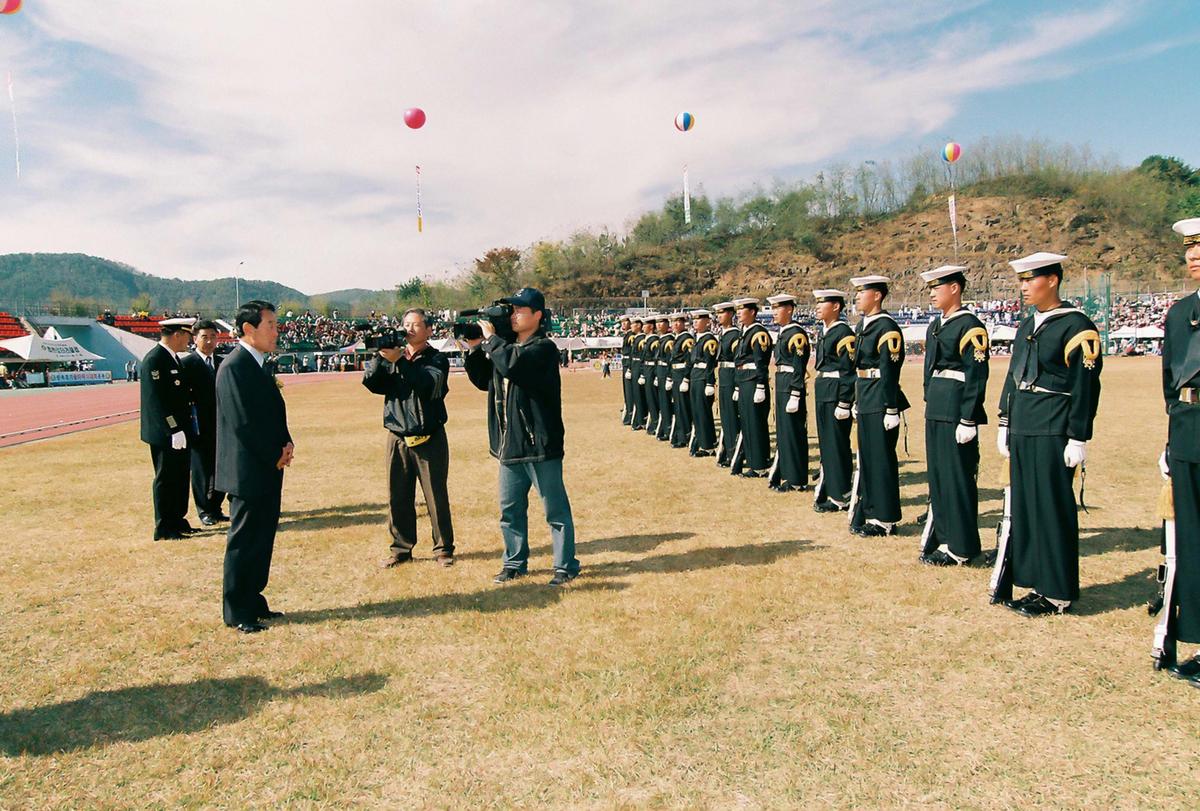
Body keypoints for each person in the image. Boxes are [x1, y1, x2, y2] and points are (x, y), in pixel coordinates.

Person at [991, 253, 1102, 617]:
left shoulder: (1076, 326)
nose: (1023, 287)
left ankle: (1057, 591)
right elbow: (1013, 375)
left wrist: (1078, 436)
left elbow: (1085, 387)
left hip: (1054, 425)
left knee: (1052, 507)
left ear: (1052, 280)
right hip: (1024, 422)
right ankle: (1035, 581)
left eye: (1030, 279)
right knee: (1028, 505)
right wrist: (1005, 421)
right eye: (1021, 280)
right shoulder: (1027, 325)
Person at [463, 287, 580, 586]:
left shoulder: (543, 348)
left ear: (538, 315)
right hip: (509, 442)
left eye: (519, 310)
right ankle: (514, 562)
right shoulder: (506, 347)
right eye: (511, 310)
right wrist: (476, 347)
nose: (513, 315)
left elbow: (515, 366)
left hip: (539, 441)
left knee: (555, 509)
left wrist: (492, 341)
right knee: (510, 509)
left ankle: (565, 565)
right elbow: (482, 381)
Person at [216, 300, 294, 633]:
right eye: (271, 325)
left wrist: (286, 442)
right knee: (245, 539)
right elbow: (243, 423)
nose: (277, 331)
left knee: (262, 537)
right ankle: (236, 608)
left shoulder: (259, 365)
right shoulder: (234, 367)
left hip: (267, 465)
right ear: (249, 329)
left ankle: (254, 597)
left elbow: (273, 412)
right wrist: (272, 453)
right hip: (248, 468)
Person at [362, 308, 455, 569]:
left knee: (436, 496)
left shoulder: (437, 359)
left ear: (428, 330)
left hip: (430, 436)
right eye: (406, 325)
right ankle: (401, 549)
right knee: (398, 496)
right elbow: (371, 383)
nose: (409, 330)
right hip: (398, 435)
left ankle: (443, 549)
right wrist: (381, 357)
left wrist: (400, 361)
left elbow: (427, 386)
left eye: (415, 325)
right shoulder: (393, 357)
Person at [916, 266, 989, 566]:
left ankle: (961, 545)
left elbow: (976, 375)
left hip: (956, 406)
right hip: (937, 403)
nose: (932, 293)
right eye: (930, 287)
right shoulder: (937, 324)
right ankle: (945, 538)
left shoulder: (969, 326)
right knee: (939, 476)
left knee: (957, 476)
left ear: (955, 288)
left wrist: (968, 418)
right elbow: (929, 367)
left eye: (938, 287)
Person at [1155, 218, 1200, 683]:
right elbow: (1171, 382)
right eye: (1189, 249)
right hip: (1188, 428)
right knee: (1193, 538)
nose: (1192, 256)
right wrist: (1172, 439)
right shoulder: (1181, 311)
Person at [847, 276, 909, 537]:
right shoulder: (864, 325)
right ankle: (870, 510)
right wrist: (854, 399)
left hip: (880, 396)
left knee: (881, 459)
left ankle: (885, 517)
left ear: (877, 296)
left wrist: (891, 408)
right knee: (868, 458)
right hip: (865, 394)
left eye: (862, 293)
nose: (858, 297)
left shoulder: (886, 327)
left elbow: (889, 370)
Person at [140, 317, 197, 541]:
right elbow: (157, 401)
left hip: (179, 431)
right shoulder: (155, 360)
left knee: (180, 476)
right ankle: (164, 525)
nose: (188, 342)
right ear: (177, 335)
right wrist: (173, 429)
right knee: (166, 478)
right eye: (187, 336)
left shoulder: (172, 359)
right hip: (165, 433)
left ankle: (177, 519)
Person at [811, 290, 856, 513]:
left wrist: (845, 401)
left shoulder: (843, 332)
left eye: (823, 303)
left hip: (836, 391)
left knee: (837, 444)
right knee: (827, 444)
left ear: (836, 307)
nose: (817, 307)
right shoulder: (825, 331)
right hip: (824, 389)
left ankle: (842, 495)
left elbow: (848, 371)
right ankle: (833, 489)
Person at [180, 319, 228, 526]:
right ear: (195, 338)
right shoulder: (187, 364)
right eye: (204, 337)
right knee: (201, 470)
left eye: (213, 336)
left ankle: (216, 507)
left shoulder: (223, 363)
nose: (209, 341)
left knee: (222, 468)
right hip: (198, 425)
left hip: (222, 425)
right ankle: (204, 510)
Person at [766, 294, 811, 492]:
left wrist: (795, 393)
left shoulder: (796, 334)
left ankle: (797, 479)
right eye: (773, 309)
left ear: (790, 310)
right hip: (782, 381)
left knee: (793, 432)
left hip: (791, 384)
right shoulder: (784, 332)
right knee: (784, 432)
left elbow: (799, 366)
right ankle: (788, 473)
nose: (774, 313)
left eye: (778, 308)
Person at [730, 297, 772, 477]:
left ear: (753, 312)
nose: (738, 313)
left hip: (754, 381)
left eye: (742, 310)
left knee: (755, 424)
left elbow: (760, 363)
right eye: (737, 310)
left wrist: (761, 386)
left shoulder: (758, 333)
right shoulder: (744, 332)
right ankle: (754, 461)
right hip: (744, 380)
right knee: (747, 423)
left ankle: (760, 464)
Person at [687, 309, 719, 457]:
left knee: (703, 412)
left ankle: (708, 445)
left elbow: (710, 364)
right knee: (697, 412)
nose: (695, 322)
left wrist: (709, 383)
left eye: (698, 320)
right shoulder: (698, 339)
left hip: (702, 378)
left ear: (707, 322)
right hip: (695, 376)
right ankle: (703, 441)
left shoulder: (709, 339)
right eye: (693, 320)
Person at [714, 302, 741, 467]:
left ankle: (734, 452)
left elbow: (738, 360)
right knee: (725, 416)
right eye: (717, 314)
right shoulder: (723, 334)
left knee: (732, 416)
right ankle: (728, 450)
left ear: (731, 314)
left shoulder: (735, 335)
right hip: (723, 376)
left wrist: (737, 385)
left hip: (731, 376)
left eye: (722, 313)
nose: (718, 316)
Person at [668, 313, 694, 449]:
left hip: (682, 374)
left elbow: (690, 360)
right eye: (673, 322)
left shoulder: (686, 338)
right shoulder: (677, 338)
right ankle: (680, 434)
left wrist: (686, 378)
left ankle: (685, 435)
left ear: (684, 323)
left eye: (678, 322)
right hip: (676, 373)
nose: (675, 324)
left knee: (683, 407)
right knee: (678, 407)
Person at [653, 315, 674, 441]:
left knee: (666, 403)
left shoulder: (669, 340)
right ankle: (665, 428)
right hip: (660, 372)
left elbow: (670, 360)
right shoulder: (661, 339)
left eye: (662, 322)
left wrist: (669, 377)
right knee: (662, 403)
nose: (659, 325)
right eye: (657, 323)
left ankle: (669, 428)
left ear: (667, 324)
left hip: (666, 372)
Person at [640, 319, 662, 437]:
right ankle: (654, 422)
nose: (643, 327)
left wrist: (655, 375)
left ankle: (656, 423)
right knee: (649, 398)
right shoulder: (647, 340)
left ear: (651, 327)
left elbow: (655, 359)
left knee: (653, 399)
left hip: (652, 371)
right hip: (647, 370)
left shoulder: (654, 341)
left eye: (645, 325)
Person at [628, 318, 648, 430]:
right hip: (634, 366)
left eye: (633, 324)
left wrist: (641, 372)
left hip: (638, 366)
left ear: (639, 326)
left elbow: (642, 357)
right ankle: (639, 418)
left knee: (640, 395)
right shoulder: (636, 338)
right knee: (636, 394)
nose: (631, 326)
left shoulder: (641, 339)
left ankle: (641, 419)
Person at [619, 317, 635, 424]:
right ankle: (628, 409)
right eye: (622, 322)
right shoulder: (627, 335)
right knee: (626, 390)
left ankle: (631, 412)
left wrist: (629, 367)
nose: (623, 324)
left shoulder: (631, 336)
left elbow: (632, 353)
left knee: (630, 391)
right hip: (625, 364)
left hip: (629, 364)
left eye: (626, 322)